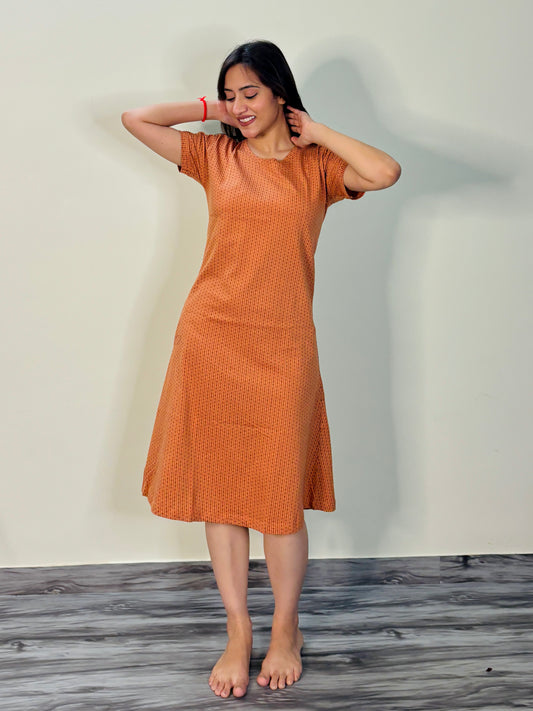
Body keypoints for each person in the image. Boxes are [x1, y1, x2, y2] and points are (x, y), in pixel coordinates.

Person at [121, 39, 400, 699]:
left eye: (250, 93)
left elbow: (385, 171)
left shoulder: (318, 168)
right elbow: (137, 119)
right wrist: (210, 109)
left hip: (282, 347)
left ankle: (284, 628)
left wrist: (317, 130)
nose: (240, 106)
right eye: (231, 94)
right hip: (211, 338)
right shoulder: (215, 156)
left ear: (280, 93)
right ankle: (239, 629)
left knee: (277, 499)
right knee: (222, 492)